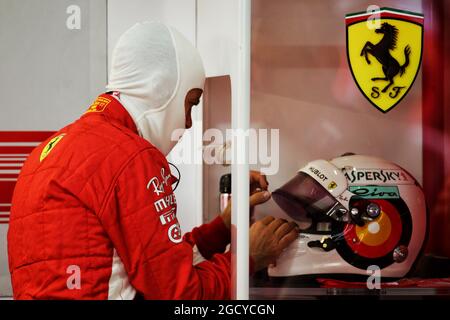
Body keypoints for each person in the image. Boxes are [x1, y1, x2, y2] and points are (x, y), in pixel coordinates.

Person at [7, 22, 299, 300]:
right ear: (161, 88)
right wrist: (248, 258)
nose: (187, 122)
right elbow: (180, 294)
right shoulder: (129, 155)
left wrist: (220, 228)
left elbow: (153, 264)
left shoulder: (47, 151)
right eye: (191, 103)